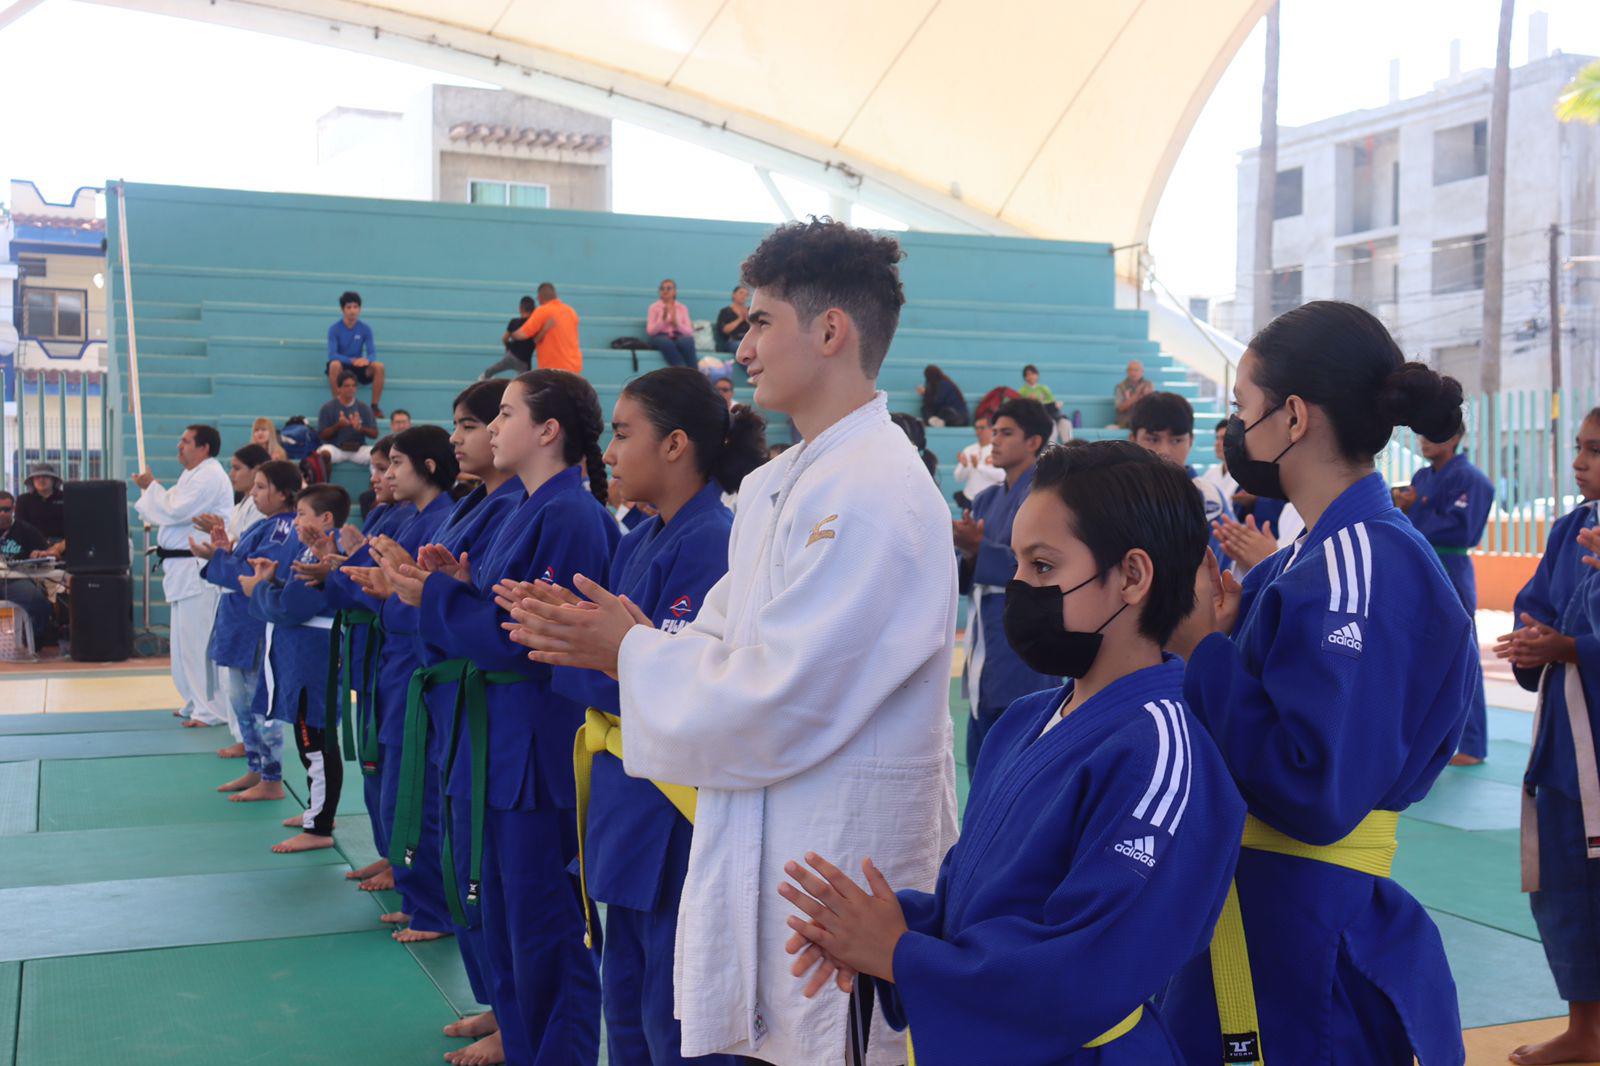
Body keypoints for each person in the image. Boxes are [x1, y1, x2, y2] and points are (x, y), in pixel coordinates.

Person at [504, 219, 960, 1064]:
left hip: (839, 861)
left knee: (826, 1044)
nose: (739, 344)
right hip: (775, 837)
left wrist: (630, 653)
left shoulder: (876, 492)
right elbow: (720, 635)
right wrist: (630, 639)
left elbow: (783, 688)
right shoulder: (782, 482)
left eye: (758, 322)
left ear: (830, 332)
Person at [779, 441, 1247, 1064]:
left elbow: (1090, 964)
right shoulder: (1026, 720)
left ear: (1132, 577)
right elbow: (980, 904)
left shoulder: (1164, 749)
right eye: (1021, 564)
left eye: (1044, 567)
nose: (1020, 585)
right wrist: (881, 931)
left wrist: (901, 954)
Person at [1163, 300, 1474, 1066]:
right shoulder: (1310, 558)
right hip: (1265, 907)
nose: (1234, 430)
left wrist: (1206, 652)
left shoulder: (1360, 565)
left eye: (1242, 408)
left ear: (1293, 417)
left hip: (1306, 928)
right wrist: (1228, 638)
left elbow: (1317, 787)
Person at [507, 367, 763, 1066]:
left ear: (676, 444)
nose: (610, 453)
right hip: (629, 798)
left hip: (673, 811)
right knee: (627, 1011)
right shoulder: (642, 535)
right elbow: (616, 658)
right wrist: (565, 628)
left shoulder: (711, 540)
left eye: (624, 435)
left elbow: (680, 683)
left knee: (671, 1022)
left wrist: (594, 647)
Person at [372, 370, 615, 1066]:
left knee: (544, 927)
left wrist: (437, 599)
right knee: (506, 917)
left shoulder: (568, 513)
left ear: (548, 431)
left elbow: (528, 639)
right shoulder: (534, 508)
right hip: (498, 736)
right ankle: (524, 1038)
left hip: (535, 742)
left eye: (503, 414)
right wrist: (449, 586)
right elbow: (497, 612)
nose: (489, 427)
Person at [381, 381, 525, 1065]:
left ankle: (522, 1030)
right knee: (477, 870)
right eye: (472, 423)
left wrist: (430, 589)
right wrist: (423, 583)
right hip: (455, 701)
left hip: (502, 716)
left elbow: (505, 628)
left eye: (488, 420)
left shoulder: (547, 512)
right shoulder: (485, 506)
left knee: (518, 895)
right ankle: (502, 1008)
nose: (474, 435)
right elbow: (465, 597)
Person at [1492, 407, 1600, 1066]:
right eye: (1580, 448)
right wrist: (1537, 639)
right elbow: (1535, 600)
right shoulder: (1571, 528)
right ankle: (1585, 1032)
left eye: (1596, 450)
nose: (1580, 461)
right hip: (1567, 736)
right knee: (1566, 887)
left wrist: (1575, 648)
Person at [342, 427, 459, 944]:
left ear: (428, 467)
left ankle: (432, 905)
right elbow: (403, 594)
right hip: (393, 665)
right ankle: (416, 892)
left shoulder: (443, 520)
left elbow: (431, 603)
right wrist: (372, 582)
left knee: (417, 794)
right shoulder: (408, 519)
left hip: (417, 669)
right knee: (392, 787)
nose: (386, 475)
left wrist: (392, 587)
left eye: (395, 465)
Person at [241, 482, 351, 854]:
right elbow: (290, 595)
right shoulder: (311, 550)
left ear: (326, 519)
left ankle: (319, 825)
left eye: (303, 514)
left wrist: (258, 589)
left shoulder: (328, 555)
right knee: (309, 742)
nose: (297, 520)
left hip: (312, 657)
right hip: (300, 653)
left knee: (315, 741)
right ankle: (318, 811)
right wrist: (272, 581)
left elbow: (292, 607)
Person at [322, 436, 410, 893]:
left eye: (389, 465)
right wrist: (339, 565)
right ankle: (387, 853)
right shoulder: (382, 515)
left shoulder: (422, 518)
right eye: (377, 467)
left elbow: (382, 587)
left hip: (394, 652)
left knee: (395, 768)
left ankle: (403, 862)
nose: (379, 476)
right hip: (373, 652)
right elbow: (354, 582)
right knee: (375, 766)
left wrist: (346, 572)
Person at [953, 397, 1059, 776]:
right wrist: (968, 553)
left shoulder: (1050, 498)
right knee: (981, 764)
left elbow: (1047, 566)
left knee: (1020, 763)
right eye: (993, 432)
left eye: (1006, 433)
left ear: (1034, 441)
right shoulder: (983, 499)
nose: (994, 441)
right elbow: (969, 571)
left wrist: (980, 550)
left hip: (1025, 639)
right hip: (984, 638)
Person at [194, 459, 301, 801]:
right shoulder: (266, 525)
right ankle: (256, 768)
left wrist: (222, 559)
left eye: (260, 487)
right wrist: (224, 551)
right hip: (239, 620)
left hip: (256, 622)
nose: (253, 494)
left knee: (260, 703)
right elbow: (241, 565)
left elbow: (253, 575)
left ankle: (272, 777)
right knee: (240, 701)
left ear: (284, 493)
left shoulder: (283, 528)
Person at [1397, 429, 1495, 766]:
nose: (1425, 440)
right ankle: (1418, 742)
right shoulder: (1422, 476)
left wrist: (1418, 506)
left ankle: (1473, 742)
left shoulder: (1472, 479)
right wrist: (1409, 507)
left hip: (1452, 565)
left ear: (1454, 437)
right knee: (1417, 652)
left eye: (1433, 434)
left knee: (1463, 653)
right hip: (1419, 565)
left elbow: (1463, 530)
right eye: (1421, 434)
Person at [133, 425, 235, 728]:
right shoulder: (191, 475)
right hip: (180, 570)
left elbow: (175, 510)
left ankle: (211, 709)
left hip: (197, 569)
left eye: (186, 441)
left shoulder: (209, 476)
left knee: (198, 642)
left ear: (204, 448)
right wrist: (150, 489)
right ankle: (194, 701)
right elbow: (162, 510)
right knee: (182, 645)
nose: (179, 446)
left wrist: (152, 486)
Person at [192, 442, 273, 758]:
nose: (232, 474)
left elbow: (250, 557)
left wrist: (222, 549)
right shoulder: (243, 506)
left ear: (256, 471)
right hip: (233, 597)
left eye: (238, 467)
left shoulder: (265, 516)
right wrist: (221, 543)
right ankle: (247, 742)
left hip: (248, 599)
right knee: (233, 680)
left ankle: (257, 752)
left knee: (248, 682)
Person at [1128, 391, 1234, 568]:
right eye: (1153, 439)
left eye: (1176, 440)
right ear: (1133, 440)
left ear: (1191, 441)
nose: (1165, 451)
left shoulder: (1208, 499)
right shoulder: (1117, 496)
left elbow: (1218, 569)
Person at [0, 491, 52, 646]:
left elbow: (49, 554)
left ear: (14, 509)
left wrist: (40, 554)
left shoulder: (26, 530)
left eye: (6, 509)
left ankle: (34, 639)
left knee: (38, 601)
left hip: (15, 581)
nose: (2, 513)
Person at [327, 290, 386, 416]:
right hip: (343, 366)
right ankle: (338, 406)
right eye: (348, 307)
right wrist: (351, 360)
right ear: (343, 309)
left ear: (359, 309)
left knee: (379, 366)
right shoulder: (334, 329)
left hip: (358, 367)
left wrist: (367, 360)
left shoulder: (365, 328)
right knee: (334, 364)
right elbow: (332, 354)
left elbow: (372, 353)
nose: (352, 310)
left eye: (355, 307)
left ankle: (374, 406)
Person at [510, 282, 584, 375]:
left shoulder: (542, 310)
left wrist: (511, 333)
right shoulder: (571, 311)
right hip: (574, 367)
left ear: (540, 297)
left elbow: (521, 334)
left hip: (553, 368)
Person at [318, 372, 379, 466]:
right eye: (346, 386)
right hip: (336, 448)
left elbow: (374, 434)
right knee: (324, 454)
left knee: (378, 456)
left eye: (353, 386)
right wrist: (338, 426)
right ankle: (325, 481)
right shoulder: (327, 407)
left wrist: (360, 428)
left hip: (358, 449)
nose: (351, 388)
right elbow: (322, 435)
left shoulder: (364, 407)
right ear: (339, 388)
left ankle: (375, 481)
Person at [952, 415, 1004, 510]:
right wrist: (965, 466)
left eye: (982, 428)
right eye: (976, 428)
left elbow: (1002, 476)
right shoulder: (969, 449)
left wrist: (979, 467)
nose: (978, 431)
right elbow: (958, 478)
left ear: (991, 429)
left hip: (991, 500)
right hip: (969, 499)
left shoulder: (998, 449)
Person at [647, 278, 697, 368]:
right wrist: (662, 321)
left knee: (688, 341)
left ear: (675, 292)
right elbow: (650, 331)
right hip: (660, 336)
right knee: (666, 342)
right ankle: (682, 370)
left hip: (678, 335)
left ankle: (695, 372)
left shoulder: (682, 308)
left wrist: (676, 324)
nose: (665, 291)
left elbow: (689, 331)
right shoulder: (654, 307)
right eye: (662, 288)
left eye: (668, 288)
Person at [485, 296, 538, 379]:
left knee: (491, 371)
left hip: (511, 356)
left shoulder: (514, 322)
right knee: (524, 384)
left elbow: (504, 338)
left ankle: (484, 379)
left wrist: (508, 347)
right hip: (524, 362)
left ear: (520, 308)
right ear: (533, 309)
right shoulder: (535, 325)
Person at [17, 462, 65, 552]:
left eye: (46, 477)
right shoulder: (23, 500)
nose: (41, 480)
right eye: (37, 477)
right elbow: (20, 526)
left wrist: (60, 546)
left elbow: (73, 525)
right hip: (33, 546)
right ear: (32, 481)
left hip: (62, 545)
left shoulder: (65, 497)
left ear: (53, 480)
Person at [1112, 360, 1154, 429]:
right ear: (1127, 372)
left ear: (1142, 372)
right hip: (1126, 422)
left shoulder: (1148, 385)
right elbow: (1120, 408)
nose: (1133, 373)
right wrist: (1137, 395)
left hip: (1145, 422)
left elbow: (1152, 406)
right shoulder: (1120, 386)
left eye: (1136, 370)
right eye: (1130, 370)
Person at [715, 285, 751, 353]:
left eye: (746, 294)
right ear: (734, 295)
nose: (744, 296)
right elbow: (725, 330)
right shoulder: (725, 311)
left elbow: (757, 329)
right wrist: (740, 319)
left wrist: (748, 320)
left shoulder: (750, 311)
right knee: (741, 347)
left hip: (749, 340)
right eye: (741, 293)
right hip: (733, 341)